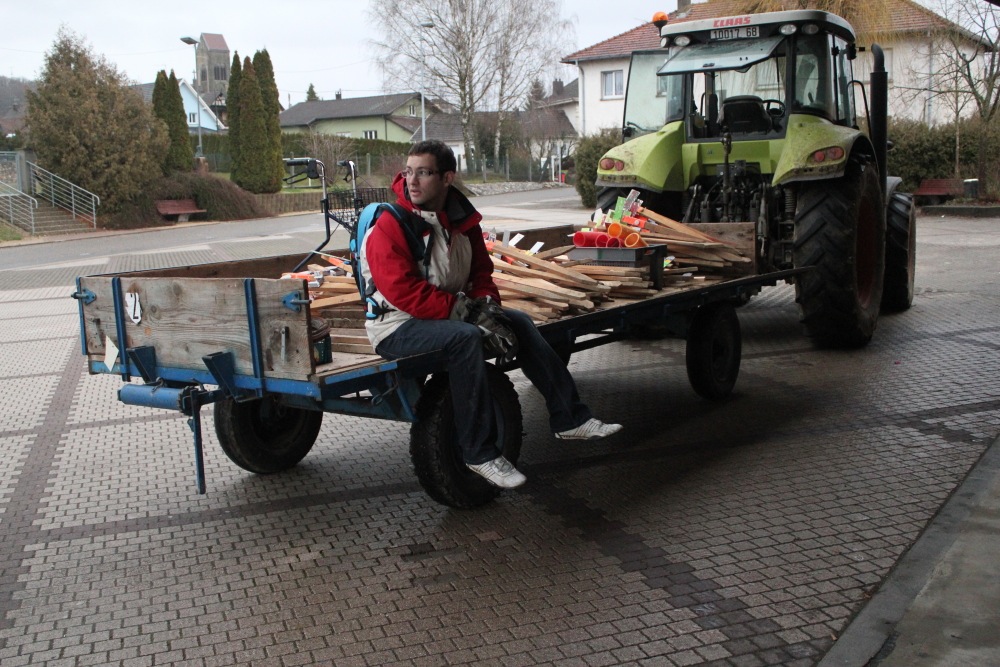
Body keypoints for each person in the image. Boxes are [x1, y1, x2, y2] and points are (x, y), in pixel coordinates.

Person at [359, 140, 622, 489]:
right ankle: (479, 453)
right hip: (396, 326)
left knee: (521, 323)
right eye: (408, 172)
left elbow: (482, 273)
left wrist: (486, 307)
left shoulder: (462, 223)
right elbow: (402, 291)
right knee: (464, 339)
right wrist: (463, 312)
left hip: (443, 315)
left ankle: (570, 418)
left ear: (447, 177)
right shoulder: (392, 225)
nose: (412, 181)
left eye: (423, 172)